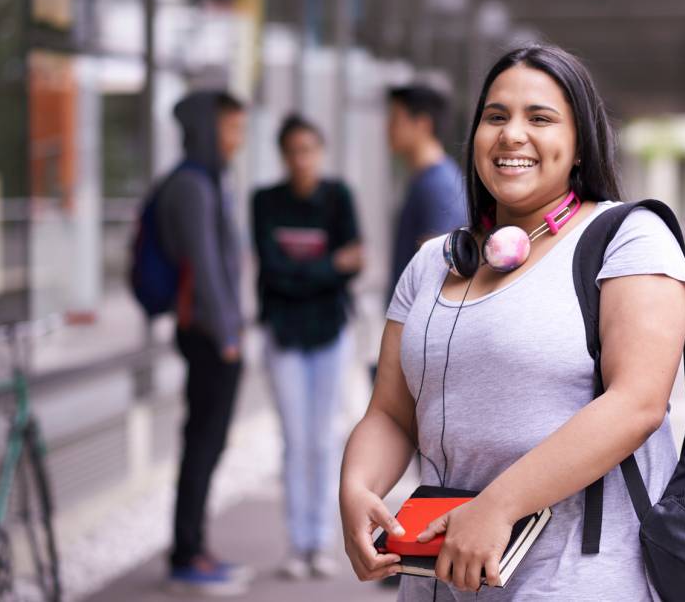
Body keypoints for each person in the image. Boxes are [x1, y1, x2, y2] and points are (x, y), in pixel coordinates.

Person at [339, 45, 685, 600]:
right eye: (495, 116)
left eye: (540, 118)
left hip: (578, 579)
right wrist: (357, 487)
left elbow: (638, 402)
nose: (511, 135)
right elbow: (391, 412)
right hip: (438, 578)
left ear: (580, 145)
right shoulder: (433, 263)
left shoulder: (629, 239)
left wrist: (498, 506)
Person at [252, 115, 363, 580]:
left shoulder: (338, 198)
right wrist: (325, 268)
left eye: (310, 150)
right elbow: (272, 269)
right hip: (284, 334)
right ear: (283, 155)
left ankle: (320, 542)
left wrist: (303, 274)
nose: (302, 159)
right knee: (294, 441)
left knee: (323, 440)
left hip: (329, 332)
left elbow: (355, 262)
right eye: (294, 150)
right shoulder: (265, 201)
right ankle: (298, 544)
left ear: (321, 152)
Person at [157, 90, 251, 596]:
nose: (237, 140)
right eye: (231, 129)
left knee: (207, 445)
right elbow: (206, 266)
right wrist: (228, 336)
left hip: (214, 335)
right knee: (202, 446)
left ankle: (194, 546)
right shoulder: (192, 185)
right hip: (209, 338)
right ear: (207, 129)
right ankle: (185, 553)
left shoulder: (208, 179)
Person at [387, 85, 467, 297]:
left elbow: (438, 268)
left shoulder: (439, 186)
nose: (388, 128)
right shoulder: (425, 179)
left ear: (422, 124)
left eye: (396, 120)